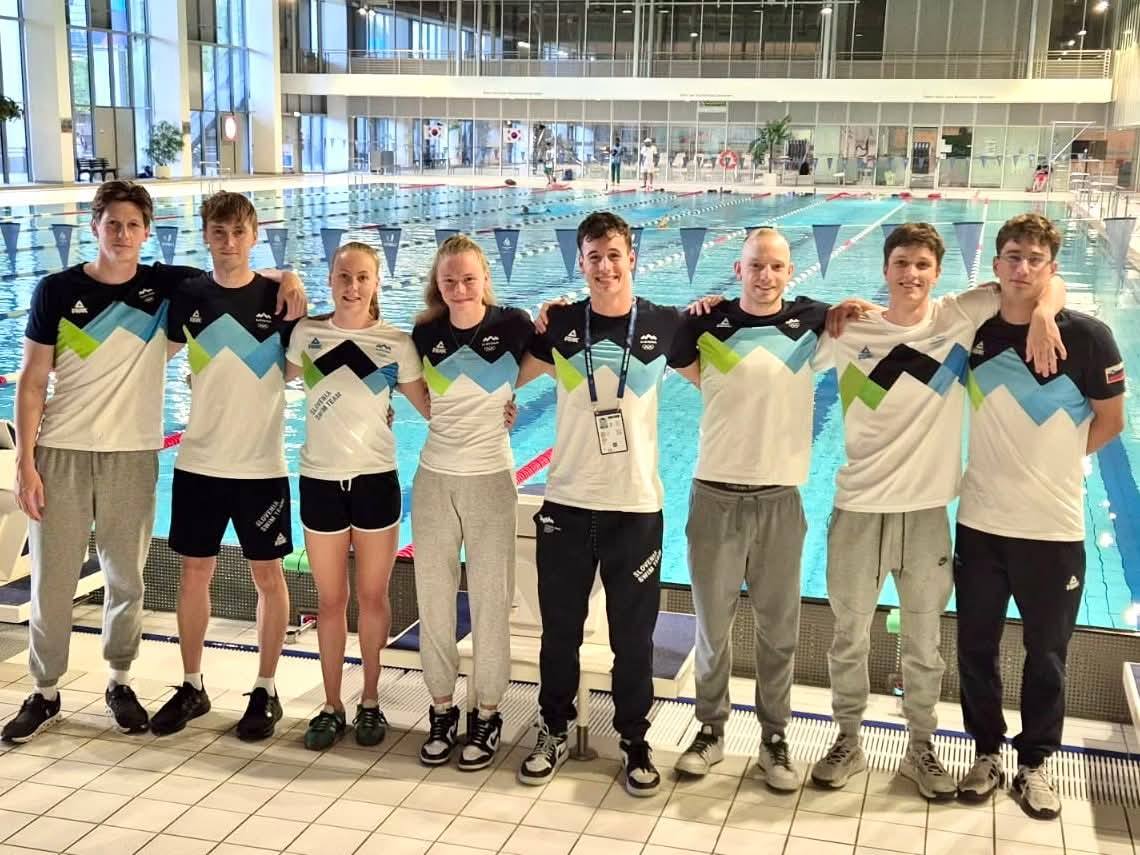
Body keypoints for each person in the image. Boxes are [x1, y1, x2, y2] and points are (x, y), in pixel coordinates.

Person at [1, 181, 304, 744]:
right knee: (52, 579)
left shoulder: (167, 287)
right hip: (63, 450)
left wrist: (289, 275)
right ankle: (44, 691)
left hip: (135, 453)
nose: (122, 235)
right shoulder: (57, 290)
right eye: (112, 224)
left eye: (132, 225)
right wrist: (25, 463)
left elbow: (235, 275)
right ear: (94, 226)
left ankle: (119, 681)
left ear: (147, 233)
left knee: (126, 579)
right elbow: (32, 379)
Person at [809, 223, 1065, 801]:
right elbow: (788, 341)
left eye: (923, 265)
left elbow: (1035, 280)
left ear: (937, 272)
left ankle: (920, 747)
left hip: (925, 515)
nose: (911, 274)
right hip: (858, 509)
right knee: (849, 636)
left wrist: (1046, 315)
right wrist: (830, 308)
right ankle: (847, 739)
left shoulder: (958, 316)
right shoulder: (850, 331)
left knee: (924, 645)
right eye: (902, 263)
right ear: (884, 269)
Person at [513, 211, 699, 797]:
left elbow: (721, 381)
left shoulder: (666, 325)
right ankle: (553, 729)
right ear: (581, 262)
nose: (604, 266)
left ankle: (634, 739)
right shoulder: (562, 324)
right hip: (567, 502)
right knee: (559, 633)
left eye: (614, 254)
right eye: (593, 256)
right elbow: (505, 377)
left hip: (636, 508)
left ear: (632, 258)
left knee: (633, 639)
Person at [954, 213, 1124, 819]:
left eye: (1034, 259)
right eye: (1012, 257)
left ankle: (1035, 763)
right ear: (996, 264)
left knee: (1047, 653)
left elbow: (1112, 422)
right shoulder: (973, 329)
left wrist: (1052, 462)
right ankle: (985, 753)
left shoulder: (1090, 337)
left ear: (1051, 267)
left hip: (1053, 527)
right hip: (980, 522)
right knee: (976, 646)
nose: (1022, 268)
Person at [671, 228, 830, 791]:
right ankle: (710, 730)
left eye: (776, 267)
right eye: (756, 266)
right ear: (738, 270)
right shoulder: (704, 325)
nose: (766, 276)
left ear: (790, 272)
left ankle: (774, 738)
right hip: (714, 496)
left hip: (779, 499)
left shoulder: (813, 323)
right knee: (713, 628)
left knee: (778, 630)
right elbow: (684, 366)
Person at [150, 191, 300, 741]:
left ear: (254, 235)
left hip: (262, 465)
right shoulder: (189, 296)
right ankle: (192, 684)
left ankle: (265, 688)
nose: (229, 242)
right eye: (219, 231)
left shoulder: (280, 299)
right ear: (206, 235)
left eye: (239, 232)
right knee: (193, 573)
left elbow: (312, 363)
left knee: (268, 576)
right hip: (199, 461)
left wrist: (289, 275)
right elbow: (151, 357)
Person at [286, 241, 429, 751]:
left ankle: (370, 699)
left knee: (372, 597)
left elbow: (433, 408)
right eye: (344, 276)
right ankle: (331, 705)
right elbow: (263, 381)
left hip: (375, 480)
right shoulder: (307, 335)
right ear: (329, 280)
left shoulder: (396, 344)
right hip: (320, 480)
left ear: (376, 283)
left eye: (362, 277)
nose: (352, 286)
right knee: (330, 601)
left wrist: (497, 409)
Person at [411, 234, 535, 771]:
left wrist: (509, 398)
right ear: (437, 285)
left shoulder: (515, 325)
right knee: (434, 601)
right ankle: (441, 708)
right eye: (449, 280)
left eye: (468, 278)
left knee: (490, 602)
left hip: (491, 480)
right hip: (435, 479)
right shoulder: (425, 332)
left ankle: (487, 712)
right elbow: (415, 394)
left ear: (485, 278)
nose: (459, 288)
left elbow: (549, 360)